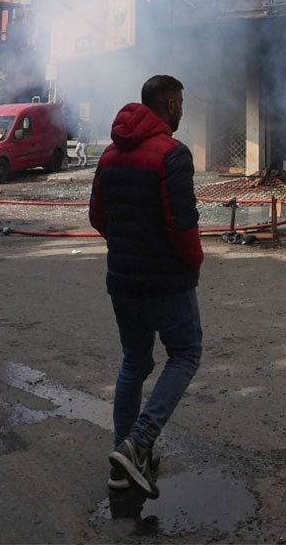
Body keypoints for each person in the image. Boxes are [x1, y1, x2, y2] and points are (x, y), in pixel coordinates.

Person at [89, 75, 203, 499]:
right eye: (182, 103)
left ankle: (123, 458)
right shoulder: (172, 154)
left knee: (134, 363)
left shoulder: (108, 155)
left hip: (122, 280)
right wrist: (194, 260)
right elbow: (183, 224)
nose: (183, 110)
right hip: (166, 282)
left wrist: (125, 247)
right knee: (186, 354)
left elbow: (97, 218)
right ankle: (138, 442)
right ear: (170, 104)